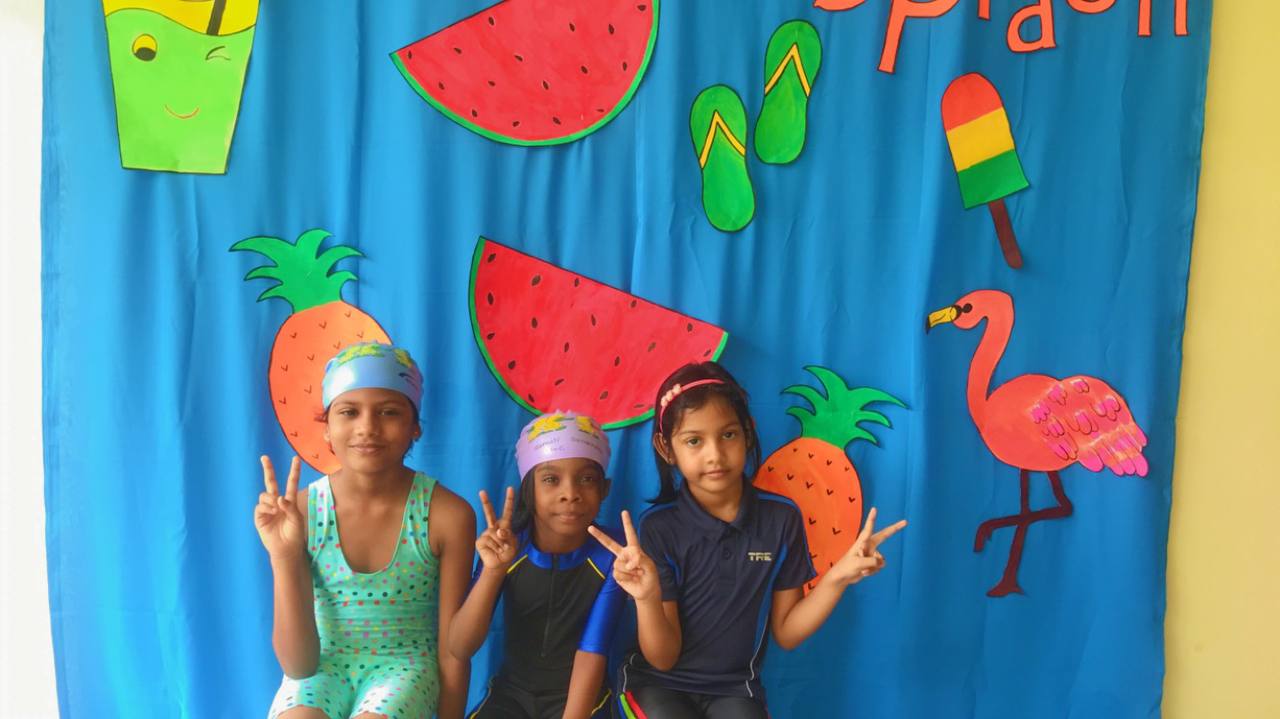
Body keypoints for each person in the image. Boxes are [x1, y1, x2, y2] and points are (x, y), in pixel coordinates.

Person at [589, 361, 907, 718]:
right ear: (667, 449)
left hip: (735, 688)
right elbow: (663, 658)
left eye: (728, 435)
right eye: (694, 441)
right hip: (657, 684)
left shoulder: (781, 518)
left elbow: (786, 632)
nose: (714, 454)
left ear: (748, 433)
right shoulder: (658, 528)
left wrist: (838, 577)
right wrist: (647, 598)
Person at [257, 342, 475, 719]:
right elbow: (299, 666)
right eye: (349, 412)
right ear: (327, 427)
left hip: (404, 668)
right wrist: (284, 555)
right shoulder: (303, 511)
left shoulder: (447, 514)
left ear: (415, 427)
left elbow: (453, 649)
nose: (367, 428)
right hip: (325, 666)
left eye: (389, 412)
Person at [450, 411, 624, 719]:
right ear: (529, 492)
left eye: (586, 479)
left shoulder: (612, 553)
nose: (570, 494)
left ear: (605, 489)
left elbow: (592, 650)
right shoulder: (507, 547)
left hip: (583, 700)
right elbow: (460, 646)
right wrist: (493, 570)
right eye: (551, 480)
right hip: (511, 696)